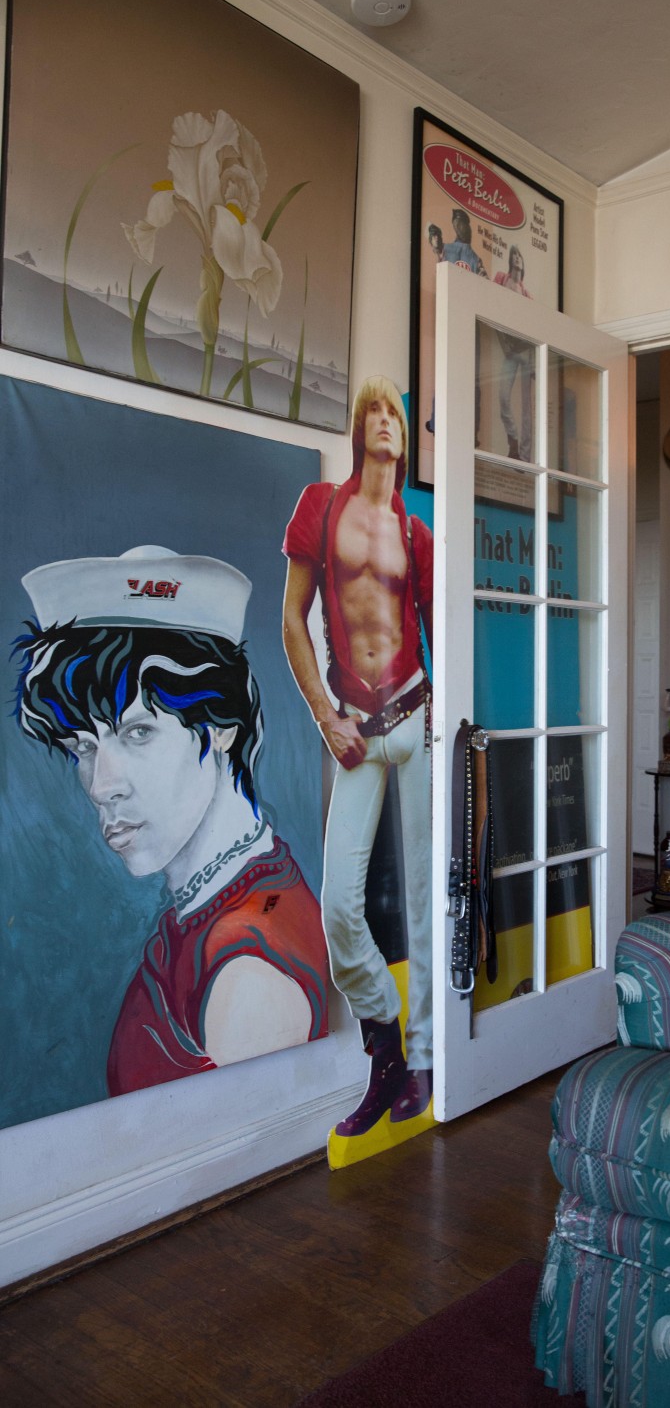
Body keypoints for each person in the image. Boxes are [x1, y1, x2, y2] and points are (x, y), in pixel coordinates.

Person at [13, 546, 328, 1096]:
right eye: (83, 746)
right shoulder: (222, 908)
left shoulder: (247, 971)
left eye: (138, 733)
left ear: (221, 728)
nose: (101, 785)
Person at [282, 376, 434, 1135]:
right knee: (340, 905)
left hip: (416, 715)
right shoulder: (321, 507)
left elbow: (442, 631)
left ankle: (425, 1062)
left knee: (428, 900)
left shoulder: (416, 534)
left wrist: (448, 718)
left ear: (403, 437)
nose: (383, 422)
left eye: (393, 414)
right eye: (372, 411)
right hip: (356, 730)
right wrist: (323, 714)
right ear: (357, 429)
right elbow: (291, 620)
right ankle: (389, 1048)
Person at [492, 244, 534, 460]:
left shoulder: (527, 295)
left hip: (526, 351)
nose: (517, 258)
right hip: (509, 350)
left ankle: (524, 457)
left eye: (519, 255)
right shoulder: (501, 279)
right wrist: (503, 344)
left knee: (528, 407)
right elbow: (491, 310)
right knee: (503, 397)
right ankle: (513, 441)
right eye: (514, 255)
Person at [441, 207, 487, 276]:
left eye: (465, 226)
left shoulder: (445, 249)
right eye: (460, 226)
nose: (465, 229)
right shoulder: (475, 259)